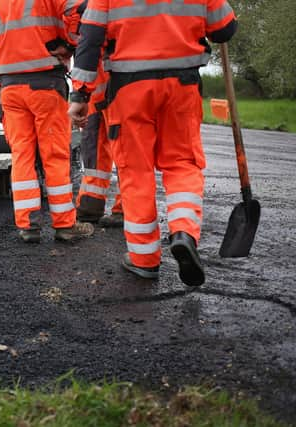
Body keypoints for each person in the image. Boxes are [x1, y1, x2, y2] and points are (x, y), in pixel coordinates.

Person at [68, 0, 237, 285]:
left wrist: (80, 95)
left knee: (136, 170)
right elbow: (224, 29)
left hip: (129, 87)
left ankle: (144, 258)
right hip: (182, 84)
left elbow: (91, 38)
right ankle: (184, 232)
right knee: (182, 163)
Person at [0, 0, 94, 243]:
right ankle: (64, 224)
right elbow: (80, 9)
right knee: (54, 155)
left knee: (22, 155)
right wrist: (69, 45)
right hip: (46, 84)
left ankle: (27, 224)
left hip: (10, 88)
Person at [75, 50, 124, 228]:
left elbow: (84, 41)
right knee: (94, 152)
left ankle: (127, 210)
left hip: (114, 87)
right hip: (98, 90)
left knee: (123, 150)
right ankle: (91, 206)